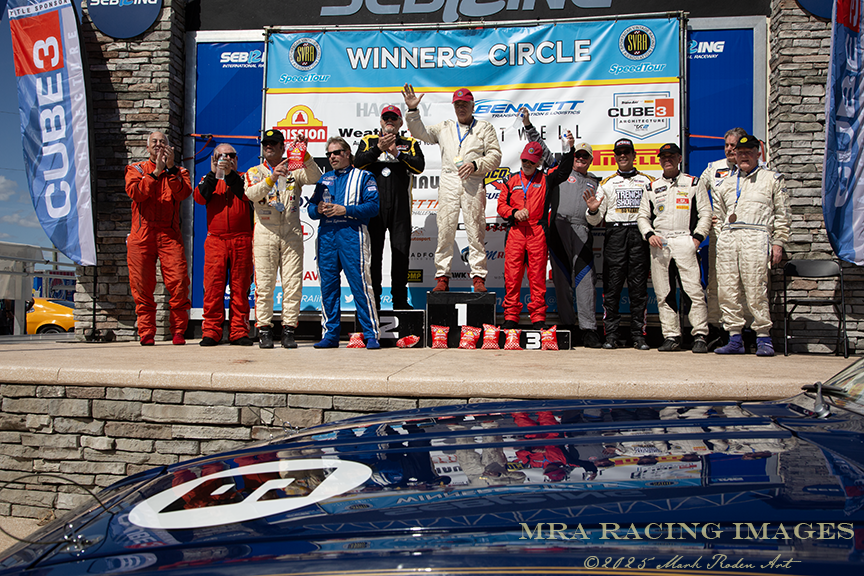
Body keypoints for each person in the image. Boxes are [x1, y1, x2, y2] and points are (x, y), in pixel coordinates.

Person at [402, 85, 502, 292]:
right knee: (445, 230)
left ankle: (478, 277)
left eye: (465, 104)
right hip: (449, 180)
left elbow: (495, 156)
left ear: (472, 105)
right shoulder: (445, 127)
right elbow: (420, 133)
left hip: (473, 181)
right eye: (457, 105)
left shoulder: (484, 128)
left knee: (475, 230)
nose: (461, 108)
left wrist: (475, 165)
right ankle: (442, 276)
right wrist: (412, 112)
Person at [713, 134, 790, 356]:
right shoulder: (725, 183)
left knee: (756, 288)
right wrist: (724, 237)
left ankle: (764, 337)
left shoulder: (772, 178)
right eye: (740, 152)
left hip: (756, 236)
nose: (744, 156)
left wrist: (778, 242)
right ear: (734, 155)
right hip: (729, 237)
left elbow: (782, 215)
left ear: (758, 153)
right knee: (727, 290)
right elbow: (718, 215)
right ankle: (735, 337)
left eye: (749, 152)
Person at [245, 130, 322, 349]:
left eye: (274, 144)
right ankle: (264, 330)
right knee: (265, 285)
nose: (269, 147)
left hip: (291, 232)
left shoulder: (294, 169)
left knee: (293, 283)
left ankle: (289, 330)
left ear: (282, 147)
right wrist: (272, 177)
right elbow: (251, 194)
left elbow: (315, 177)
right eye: (266, 144)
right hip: (265, 231)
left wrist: (303, 154)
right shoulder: (254, 171)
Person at [637, 143, 712, 353]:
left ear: (680, 158)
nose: (667, 159)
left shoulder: (693, 183)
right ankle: (671, 336)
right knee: (664, 293)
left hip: (685, 241)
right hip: (660, 245)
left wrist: (696, 238)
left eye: (671, 156)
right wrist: (649, 234)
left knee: (693, 291)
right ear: (659, 160)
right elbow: (643, 216)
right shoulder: (651, 187)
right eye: (663, 157)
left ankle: (699, 335)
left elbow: (706, 213)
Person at [308, 137, 381, 349]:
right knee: (328, 287)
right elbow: (311, 210)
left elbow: (373, 207)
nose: (332, 157)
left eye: (337, 152)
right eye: (329, 153)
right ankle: (330, 334)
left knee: (360, 285)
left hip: (352, 235)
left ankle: (371, 334)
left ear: (348, 153)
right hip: (327, 237)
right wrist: (319, 209)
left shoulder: (364, 176)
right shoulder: (324, 179)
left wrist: (345, 210)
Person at [496, 138, 574, 330]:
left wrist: (568, 150)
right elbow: (501, 206)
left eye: (532, 161)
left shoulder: (546, 178)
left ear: (539, 162)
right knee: (512, 277)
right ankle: (511, 317)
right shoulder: (511, 180)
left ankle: (538, 318)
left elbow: (564, 171)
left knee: (537, 278)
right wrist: (514, 213)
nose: (527, 164)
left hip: (537, 232)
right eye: (525, 161)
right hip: (515, 232)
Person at [584, 138, 654, 350]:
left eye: (626, 152)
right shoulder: (607, 183)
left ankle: (639, 335)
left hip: (638, 234)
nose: (622, 156)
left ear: (634, 156)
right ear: (614, 157)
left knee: (638, 289)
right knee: (612, 288)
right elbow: (594, 220)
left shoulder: (648, 181)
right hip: (615, 234)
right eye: (619, 153)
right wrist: (594, 209)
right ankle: (611, 335)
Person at [354, 105, 425, 310]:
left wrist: (397, 153)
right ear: (380, 122)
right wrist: (379, 149)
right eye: (386, 118)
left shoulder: (409, 143)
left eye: (394, 119)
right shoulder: (368, 141)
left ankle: (400, 301)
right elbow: (357, 163)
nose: (390, 122)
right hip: (373, 207)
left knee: (401, 254)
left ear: (401, 123)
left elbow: (419, 166)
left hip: (400, 208)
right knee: (374, 255)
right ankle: (374, 300)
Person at [124, 131, 192, 346]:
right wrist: (155, 173)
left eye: (163, 141)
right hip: (142, 234)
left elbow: (183, 193)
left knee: (179, 282)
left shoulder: (180, 171)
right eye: (154, 142)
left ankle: (179, 331)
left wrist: (170, 170)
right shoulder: (135, 169)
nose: (158, 144)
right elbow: (136, 193)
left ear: (169, 147)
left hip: (169, 235)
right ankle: (146, 332)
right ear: (148, 148)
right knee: (141, 285)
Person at [193, 144, 254, 347]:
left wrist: (229, 175)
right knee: (213, 288)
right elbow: (199, 198)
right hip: (216, 240)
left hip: (242, 239)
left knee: (240, 288)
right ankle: (211, 331)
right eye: (221, 156)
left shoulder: (246, 177)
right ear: (214, 158)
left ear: (236, 159)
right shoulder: (208, 178)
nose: (226, 159)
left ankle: (238, 331)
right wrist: (214, 173)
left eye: (230, 156)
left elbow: (246, 195)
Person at [699, 127, 747, 347]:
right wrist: (709, 217)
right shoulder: (714, 168)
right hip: (719, 236)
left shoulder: (753, 169)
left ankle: (744, 330)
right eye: (727, 145)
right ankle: (717, 328)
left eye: (734, 145)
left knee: (744, 283)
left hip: (745, 235)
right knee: (716, 284)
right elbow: (697, 195)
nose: (730, 149)